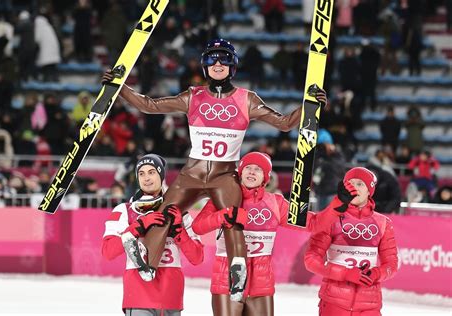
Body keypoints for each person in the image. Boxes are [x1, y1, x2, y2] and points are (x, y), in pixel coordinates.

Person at [102, 38, 328, 301]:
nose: (217, 63)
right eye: (212, 58)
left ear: (232, 65)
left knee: (233, 217)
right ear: (204, 65)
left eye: (223, 58)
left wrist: (310, 106)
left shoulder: (247, 99)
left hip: (224, 175)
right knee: (165, 214)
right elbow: (149, 106)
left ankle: (238, 270)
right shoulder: (193, 96)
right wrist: (120, 88)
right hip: (192, 174)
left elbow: (285, 124)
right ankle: (147, 264)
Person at [192, 152, 339, 315]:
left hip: (261, 282)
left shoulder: (275, 203)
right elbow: (198, 226)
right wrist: (224, 215)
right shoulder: (223, 198)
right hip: (227, 278)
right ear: (240, 173)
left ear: (265, 177)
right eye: (248, 167)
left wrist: (339, 203)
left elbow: (314, 223)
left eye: (258, 169)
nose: (252, 172)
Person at [102, 154, 204, 315]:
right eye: (141, 173)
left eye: (151, 172)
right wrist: (138, 226)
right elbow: (108, 251)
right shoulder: (124, 210)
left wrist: (179, 231)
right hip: (139, 298)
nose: (146, 178)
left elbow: (197, 258)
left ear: (161, 175)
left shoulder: (179, 213)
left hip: (171, 299)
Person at [305, 167, 399, 316]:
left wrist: (376, 273)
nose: (354, 187)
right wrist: (344, 274)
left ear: (370, 191)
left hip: (369, 305)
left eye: (360, 184)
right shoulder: (330, 218)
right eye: (350, 183)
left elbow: (391, 265)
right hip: (334, 303)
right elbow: (311, 260)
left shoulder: (383, 223)